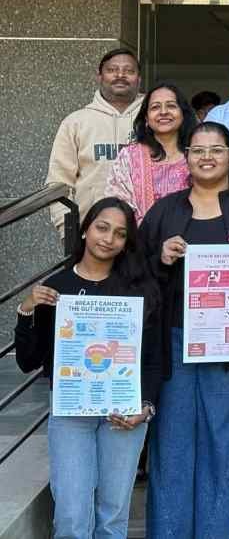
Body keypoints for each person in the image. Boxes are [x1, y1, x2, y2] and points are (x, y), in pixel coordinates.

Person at [141, 121, 229, 537]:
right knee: (171, 448)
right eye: (198, 150)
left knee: (222, 450)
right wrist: (160, 259)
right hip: (174, 343)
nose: (207, 157)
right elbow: (134, 277)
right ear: (186, 156)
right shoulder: (164, 211)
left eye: (216, 149)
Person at [15, 197, 162, 539]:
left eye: (120, 234)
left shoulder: (140, 289)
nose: (108, 239)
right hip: (71, 414)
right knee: (71, 517)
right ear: (85, 230)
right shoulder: (57, 288)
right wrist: (27, 309)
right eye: (102, 227)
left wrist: (146, 407)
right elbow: (27, 361)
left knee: (111, 519)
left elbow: (155, 359)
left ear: (127, 243)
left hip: (123, 414)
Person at [46, 48, 144, 240]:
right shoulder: (76, 122)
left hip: (147, 234)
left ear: (139, 79)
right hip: (91, 235)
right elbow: (59, 183)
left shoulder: (154, 118)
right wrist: (68, 231)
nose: (120, 75)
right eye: (112, 70)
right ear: (99, 77)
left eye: (129, 71)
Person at [104, 81, 196, 223]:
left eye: (171, 106)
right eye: (155, 107)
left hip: (193, 233)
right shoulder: (129, 156)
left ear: (183, 114)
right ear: (146, 118)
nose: (163, 112)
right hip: (140, 234)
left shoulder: (198, 154)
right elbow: (117, 205)